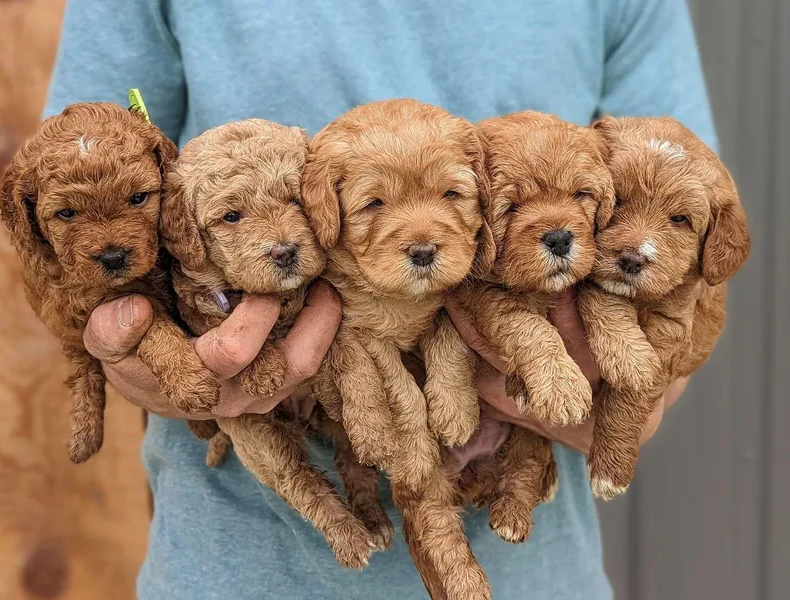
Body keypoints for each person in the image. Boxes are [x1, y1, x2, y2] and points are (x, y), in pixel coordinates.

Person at [45, 1, 714, 598]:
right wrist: (144, 351)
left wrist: (627, 396)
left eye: (456, 194)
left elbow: (686, 248)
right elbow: (80, 219)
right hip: (235, 570)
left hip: (538, 574)